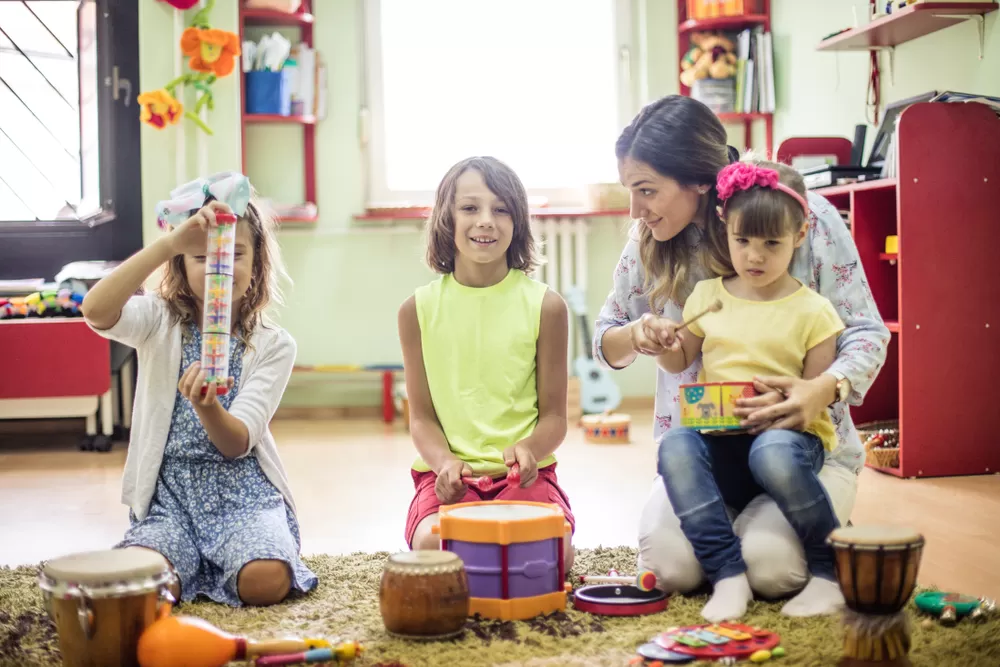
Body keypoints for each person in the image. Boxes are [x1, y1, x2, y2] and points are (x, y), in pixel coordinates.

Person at [593, 95, 889, 607]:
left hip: (799, 452)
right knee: (671, 569)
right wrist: (638, 333)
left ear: (698, 181)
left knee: (771, 572)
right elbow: (606, 338)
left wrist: (821, 389)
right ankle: (735, 546)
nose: (635, 210)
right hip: (707, 452)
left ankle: (813, 525)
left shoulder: (801, 214)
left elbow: (866, 331)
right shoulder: (651, 239)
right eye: (630, 192)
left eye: (647, 190)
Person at [81, 172, 317, 607]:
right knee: (141, 583)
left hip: (243, 495)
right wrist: (169, 244)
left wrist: (208, 408)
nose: (218, 266)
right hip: (171, 498)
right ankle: (181, 564)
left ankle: (238, 562)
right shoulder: (160, 320)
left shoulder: (273, 345)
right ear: (181, 265)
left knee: (265, 581)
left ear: (257, 265)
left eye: (235, 254)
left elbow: (236, 442)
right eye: (200, 256)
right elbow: (95, 310)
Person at [646, 157, 847, 621]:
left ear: (799, 235)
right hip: (720, 441)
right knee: (675, 445)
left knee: (771, 451)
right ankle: (727, 574)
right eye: (743, 241)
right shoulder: (708, 296)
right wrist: (663, 342)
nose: (755, 256)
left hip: (788, 446)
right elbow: (678, 359)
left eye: (771, 243)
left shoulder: (815, 311)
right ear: (726, 230)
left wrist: (785, 403)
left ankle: (831, 571)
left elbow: (813, 399)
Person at [399, 156, 575, 569]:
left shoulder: (547, 306)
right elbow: (421, 418)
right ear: (447, 218)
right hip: (446, 479)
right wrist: (445, 464)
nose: (485, 221)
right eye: (470, 207)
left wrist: (529, 449)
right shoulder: (416, 310)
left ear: (518, 223)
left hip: (526, 478)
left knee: (555, 553)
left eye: (501, 209)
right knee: (434, 548)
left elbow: (555, 418)